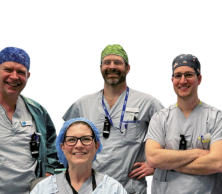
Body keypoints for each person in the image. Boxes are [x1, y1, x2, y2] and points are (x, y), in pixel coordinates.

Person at [63, 44, 164, 193]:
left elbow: (170, 135)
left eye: (117, 62)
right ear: (100, 68)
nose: (112, 67)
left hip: (130, 187)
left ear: (127, 68)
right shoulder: (83, 104)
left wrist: (156, 166)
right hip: (90, 187)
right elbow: (65, 143)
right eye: (107, 62)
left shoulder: (147, 103)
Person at [145, 54, 222, 194]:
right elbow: (153, 158)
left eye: (189, 74)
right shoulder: (160, 118)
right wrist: (197, 152)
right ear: (172, 80)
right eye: (178, 76)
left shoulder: (217, 118)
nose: (183, 81)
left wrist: (168, 163)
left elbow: (218, 163)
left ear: (199, 79)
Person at [0, 47, 59, 194]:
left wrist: (48, 172)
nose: (14, 77)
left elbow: (52, 144)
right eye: (8, 70)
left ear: (28, 76)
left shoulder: (37, 111)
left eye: (21, 72)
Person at [30, 117, 127, 194]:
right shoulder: (42, 189)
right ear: (62, 147)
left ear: (96, 146)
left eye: (86, 139)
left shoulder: (113, 189)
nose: (79, 145)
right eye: (71, 139)